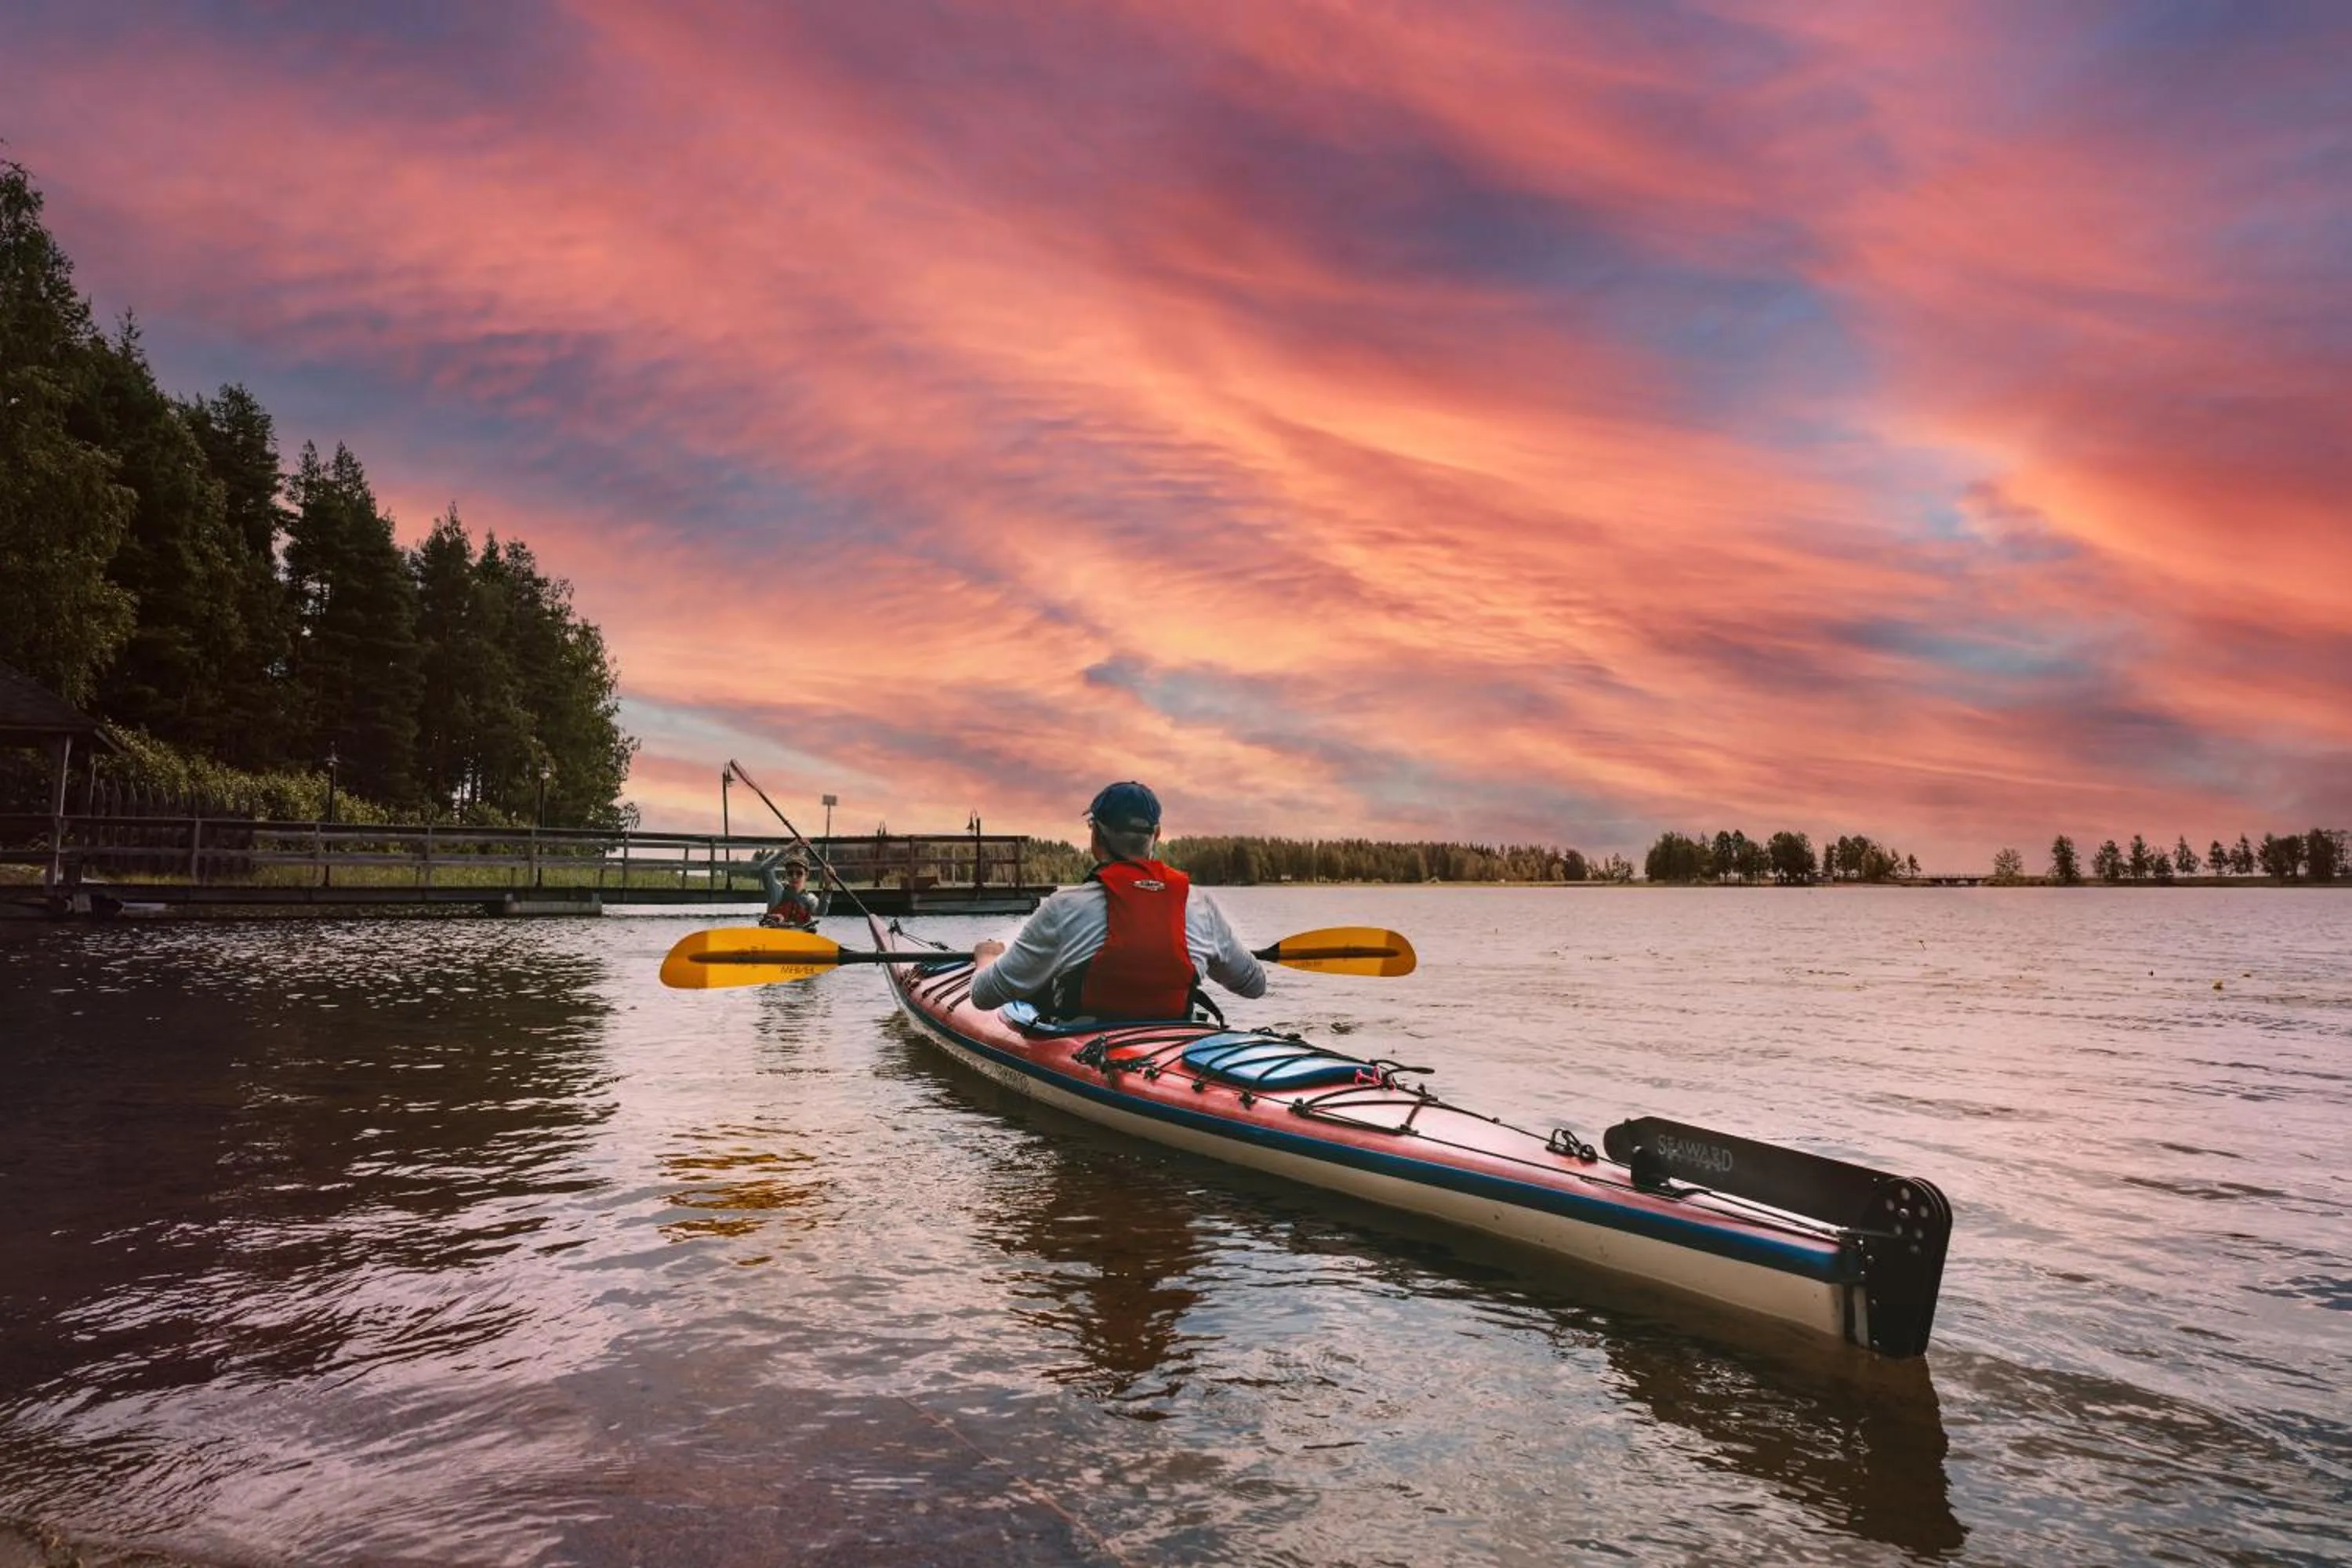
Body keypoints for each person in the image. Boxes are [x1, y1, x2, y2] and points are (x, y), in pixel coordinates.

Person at [969, 781, 1265, 1021]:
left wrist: (987, 956)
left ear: (1096, 835)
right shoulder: (1199, 905)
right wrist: (1204, 958)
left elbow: (983, 996)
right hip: (1172, 1043)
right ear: (1157, 835)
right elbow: (1254, 986)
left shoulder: (1064, 907)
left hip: (1081, 1043)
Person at [751, 848, 826, 931]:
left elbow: (821, 912)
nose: (794, 877)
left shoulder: (810, 899)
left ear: (806, 875)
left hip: (800, 939)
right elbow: (765, 869)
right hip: (774, 939)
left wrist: (828, 886)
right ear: (786, 874)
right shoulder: (777, 892)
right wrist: (790, 848)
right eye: (790, 873)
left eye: (799, 873)